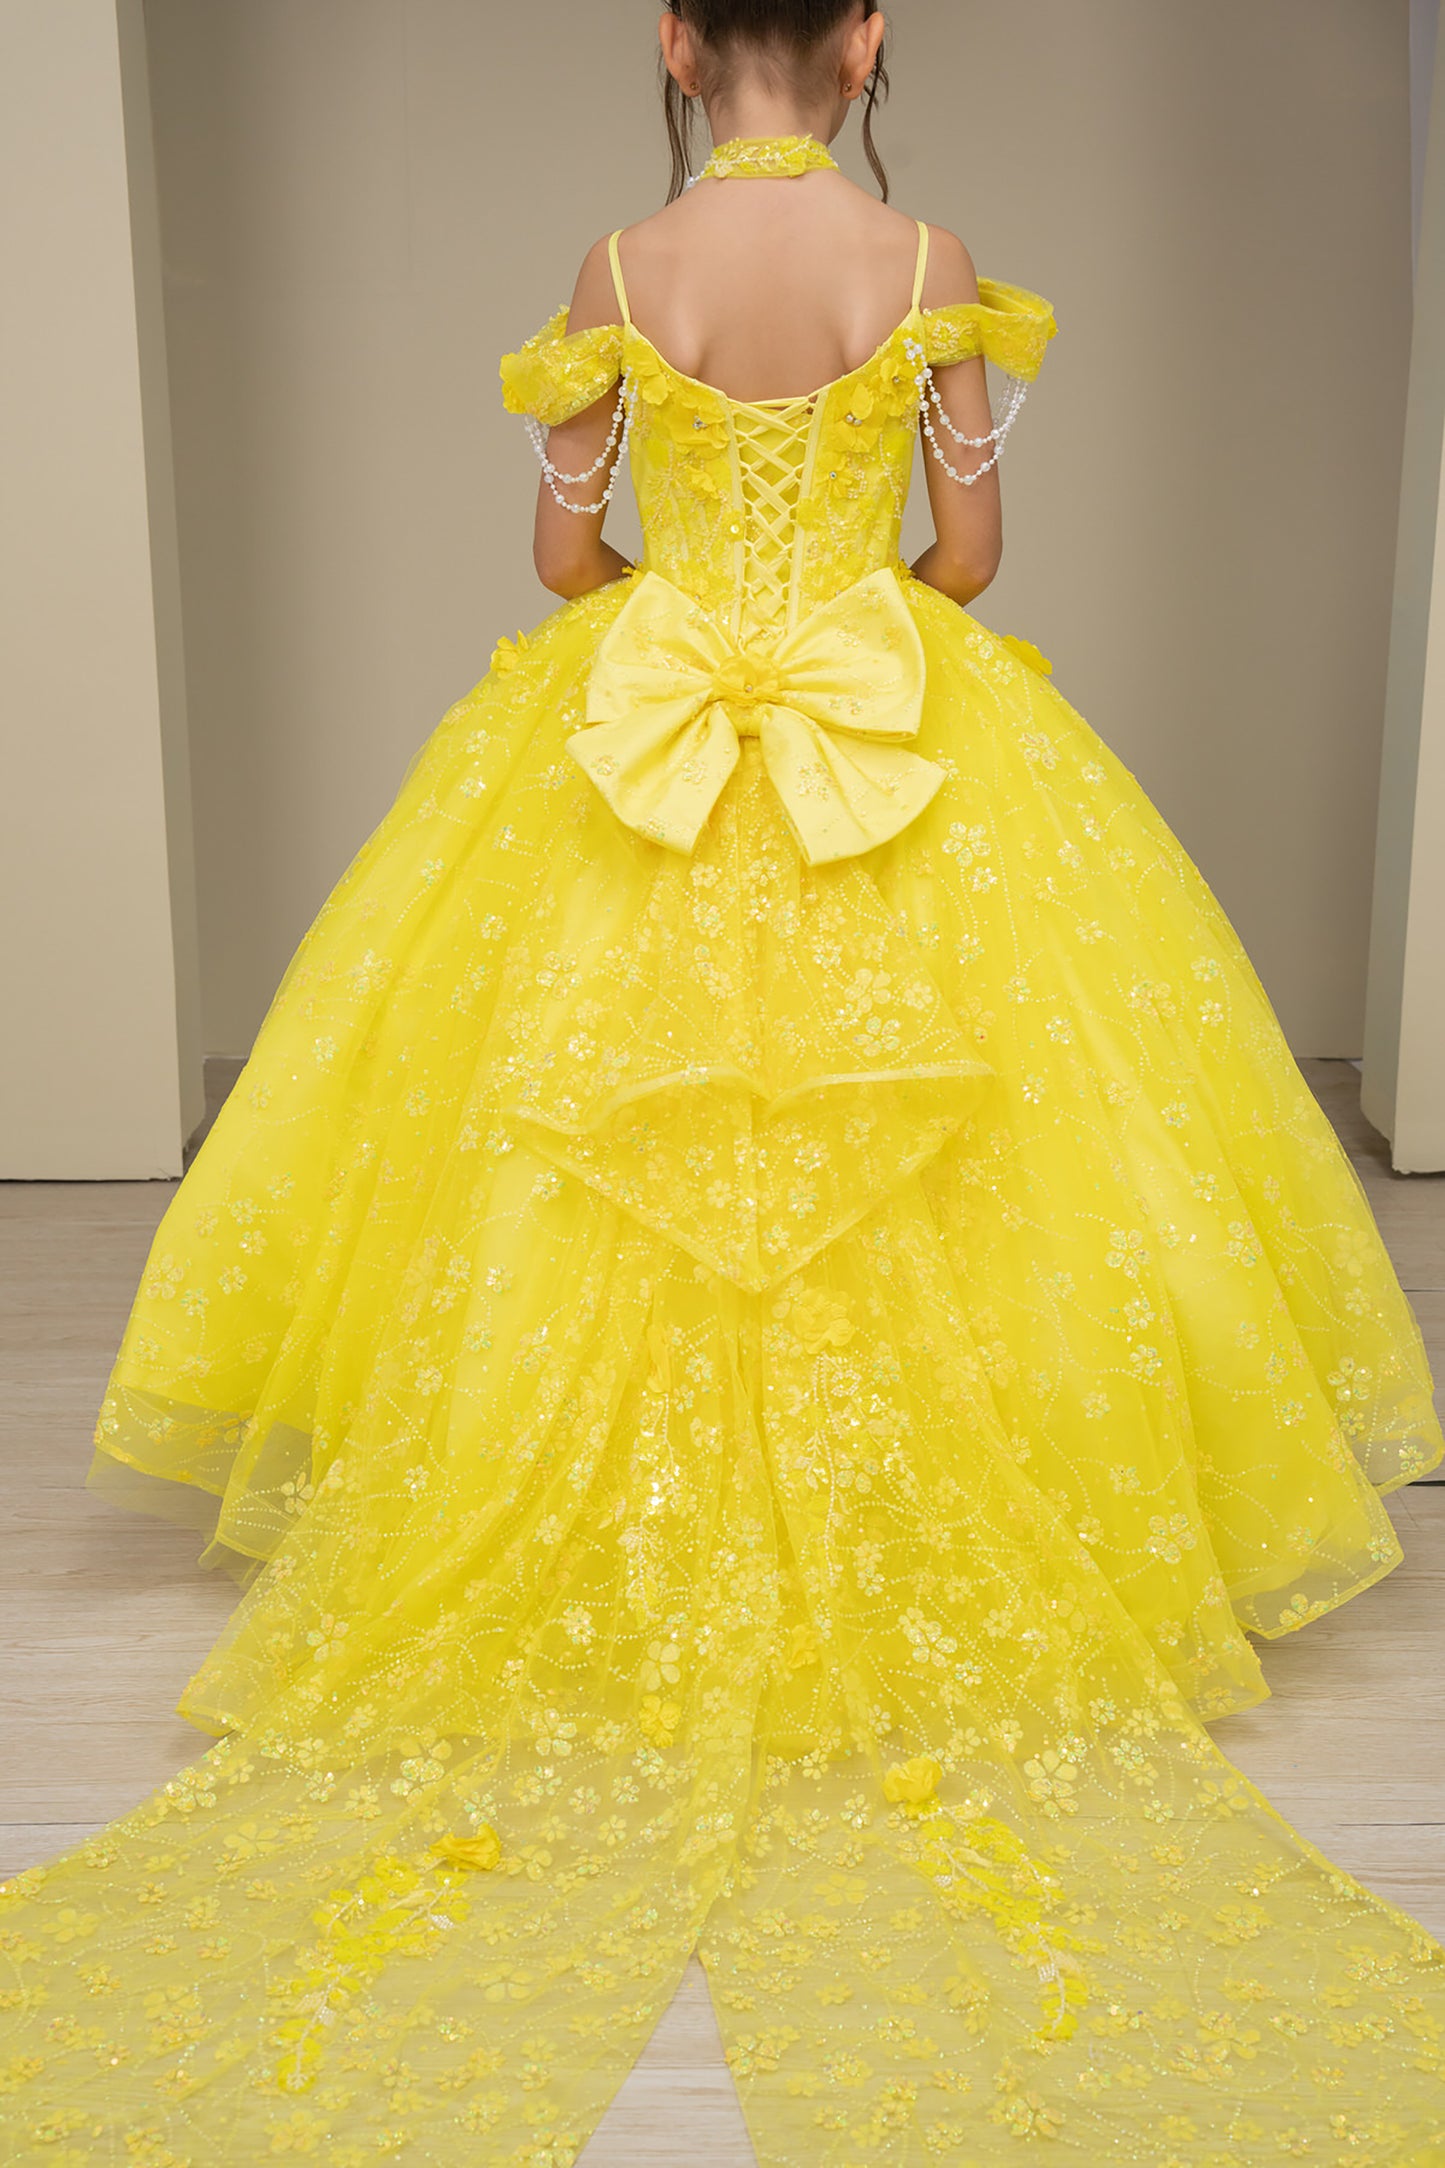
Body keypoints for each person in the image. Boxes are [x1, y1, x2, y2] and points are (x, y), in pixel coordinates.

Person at [3, 4, 1443, 2159]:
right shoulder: (929, 257)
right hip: (886, 738)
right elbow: (970, 565)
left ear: (676, 45)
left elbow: (563, 566)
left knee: (573, 1142)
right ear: (869, 38)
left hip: (645, 734)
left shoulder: (617, 269)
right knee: (975, 1151)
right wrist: (838, 598)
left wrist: (694, 593)